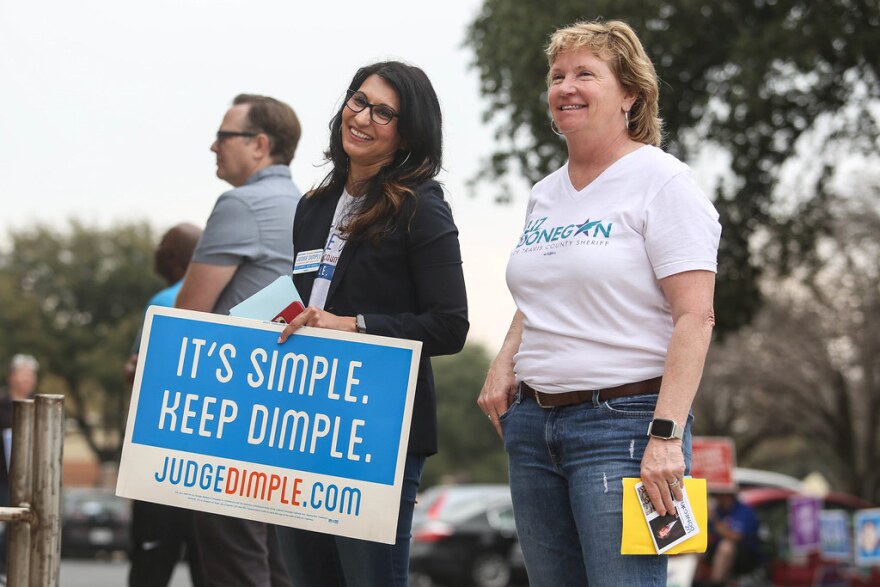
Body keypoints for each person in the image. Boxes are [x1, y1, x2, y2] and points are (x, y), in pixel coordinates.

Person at [477, 19, 721, 586]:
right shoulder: (545, 192)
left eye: (586, 73)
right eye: (557, 75)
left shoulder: (662, 182)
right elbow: (546, 291)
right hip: (534, 430)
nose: (565, 87)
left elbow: (696, 315)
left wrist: (666, 437)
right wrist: (504, 359)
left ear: (630, 94)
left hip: (627, 430)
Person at [275, 60, 469, 587]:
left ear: (408, 133)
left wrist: (352, 325)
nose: (362, 117)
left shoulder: (421, 208)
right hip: (300, 423)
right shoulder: (312, 207)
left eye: (384, 112)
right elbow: (306, 302)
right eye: (358, 100)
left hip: (375, 430)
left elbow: (450, 325)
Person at [175, 93, 302, 587]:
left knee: (236, 567)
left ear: (259, 145)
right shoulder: (312, 207)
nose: (213, 146)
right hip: (289, 412)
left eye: (224, 136)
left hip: (231, 413)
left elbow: (187, 316)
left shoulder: (240, 203)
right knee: (280, 565)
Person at [126, 223, 205, 587]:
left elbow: (143, 370)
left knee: (150, 569)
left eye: (162, 245)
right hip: (210, 466)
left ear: (171, 256)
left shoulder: (165, 300)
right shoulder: (222, 296)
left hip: (161, 462)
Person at [0, 354, 39, 577]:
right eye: (22, 373)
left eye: (30, 374)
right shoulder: (2, 404)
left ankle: (15, 565)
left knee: (25, 519)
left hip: (30, 476)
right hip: (3, 475)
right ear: (12, 376)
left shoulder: (41, 406)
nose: (27, 378)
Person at [699, 489, 762, 587]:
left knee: (726, 546)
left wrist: (715, 521)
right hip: (716, 551)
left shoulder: (744, 511)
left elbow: (736, 537)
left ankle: (716, 583)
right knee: (698, 549)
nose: (715, 498)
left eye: (717, 494)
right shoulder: (717, 510)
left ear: (727, 495)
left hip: (744, 554)